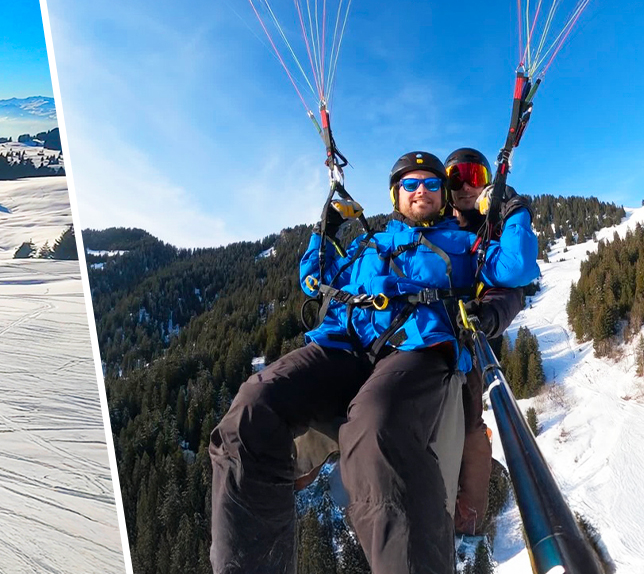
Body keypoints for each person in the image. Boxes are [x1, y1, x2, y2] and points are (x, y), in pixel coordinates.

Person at [208, 151, 540, 573]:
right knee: (252, 407)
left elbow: (516, 268)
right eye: (411, 184)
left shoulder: (465, 245)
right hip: (345, 346)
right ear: (396, 196)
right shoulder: (370, 244)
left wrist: (514, 209)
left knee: (374, 428)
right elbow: (314, 279)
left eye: (433, 184)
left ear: (443, 197)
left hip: (416, 348)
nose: (422, 190)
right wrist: (326, 230)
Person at [443, 147, 534, 536]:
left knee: (467, 424)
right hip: (424, 336)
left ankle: (466, 513)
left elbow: (515, 275)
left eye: (473, 174)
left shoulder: (492, 233)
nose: (464, 185)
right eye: (454, 177)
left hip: (471, 342)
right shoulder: (432, 226)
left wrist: (512, 208)